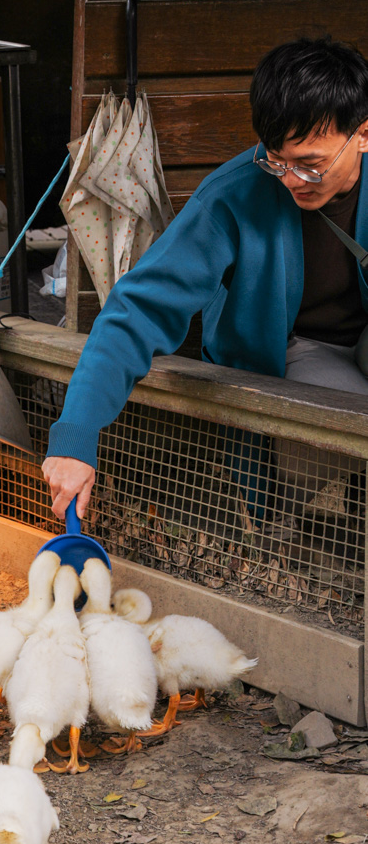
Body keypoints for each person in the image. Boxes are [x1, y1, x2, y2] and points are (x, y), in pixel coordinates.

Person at [43, 36, 368, 521]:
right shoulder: (231, 196)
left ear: (362, 134)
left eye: (311, 165)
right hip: (300, 351)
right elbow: (138, 310)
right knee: (333, 429)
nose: (292, 180)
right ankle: (281, 544)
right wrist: (75, 434)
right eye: (277, 160)